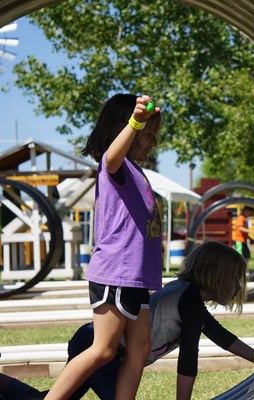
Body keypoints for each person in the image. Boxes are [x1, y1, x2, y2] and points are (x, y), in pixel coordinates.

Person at [0, 241, 254, 400]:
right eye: (234, 280)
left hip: (95, 343)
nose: (238, 288)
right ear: (215, 276)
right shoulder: (188, 298)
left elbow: (222, 337)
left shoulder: (190, 298)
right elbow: (189, 356)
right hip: (103, 349)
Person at [45, 93, 163, 400]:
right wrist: (137, 121)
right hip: (117, 273)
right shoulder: (116, 167)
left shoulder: (137, 173)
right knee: (103, 350)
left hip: (136, 278)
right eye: (147, 135)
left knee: (140, 348)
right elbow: (112, 157)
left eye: (154, 136)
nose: (152, 142)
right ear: (126, 129)